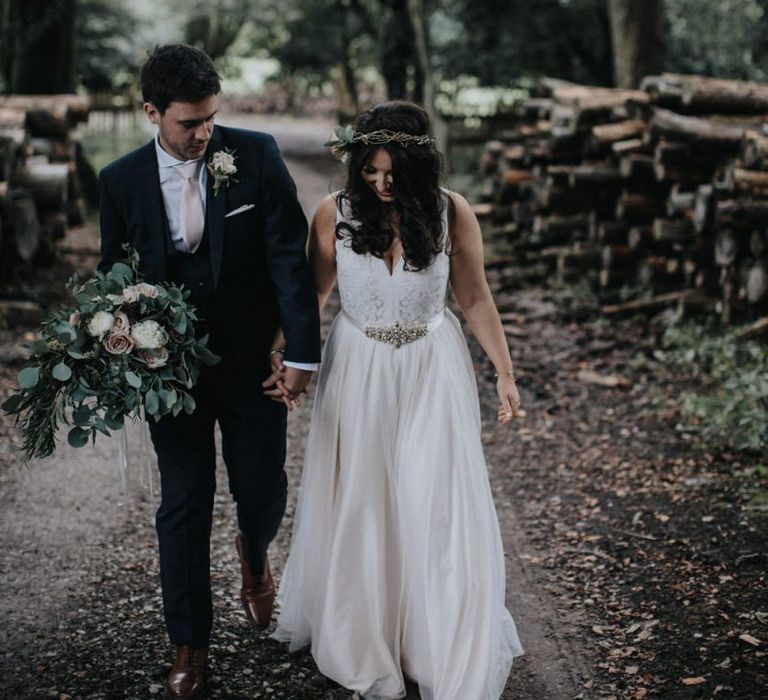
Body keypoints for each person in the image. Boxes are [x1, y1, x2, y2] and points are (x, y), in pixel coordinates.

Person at [272, 101, 524, 699]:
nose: (382, 184)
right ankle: (368, 634)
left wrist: (505, 373)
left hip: (431, 367)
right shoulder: (333, 213)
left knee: (434, 501)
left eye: (393, 173)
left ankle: (435, 639)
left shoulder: (451, 211)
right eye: (370, 172)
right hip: (357, 366)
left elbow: (477, 298)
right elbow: (312, 293)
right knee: (364, 498)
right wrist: (283, 352)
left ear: (416, 166)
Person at [97, 44, 321, 698]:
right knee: (184, 503)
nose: (204, 134)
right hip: (170, 372)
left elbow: (289, 258)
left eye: (210, 120)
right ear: (151, 112)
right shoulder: (118, 181)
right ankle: (189, 642)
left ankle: (255, 555)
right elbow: (116, 275)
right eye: (189, 123)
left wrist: (302, 354)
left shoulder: (254, 155)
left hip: (253, 363)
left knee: (260, 489)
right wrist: (118, 339)